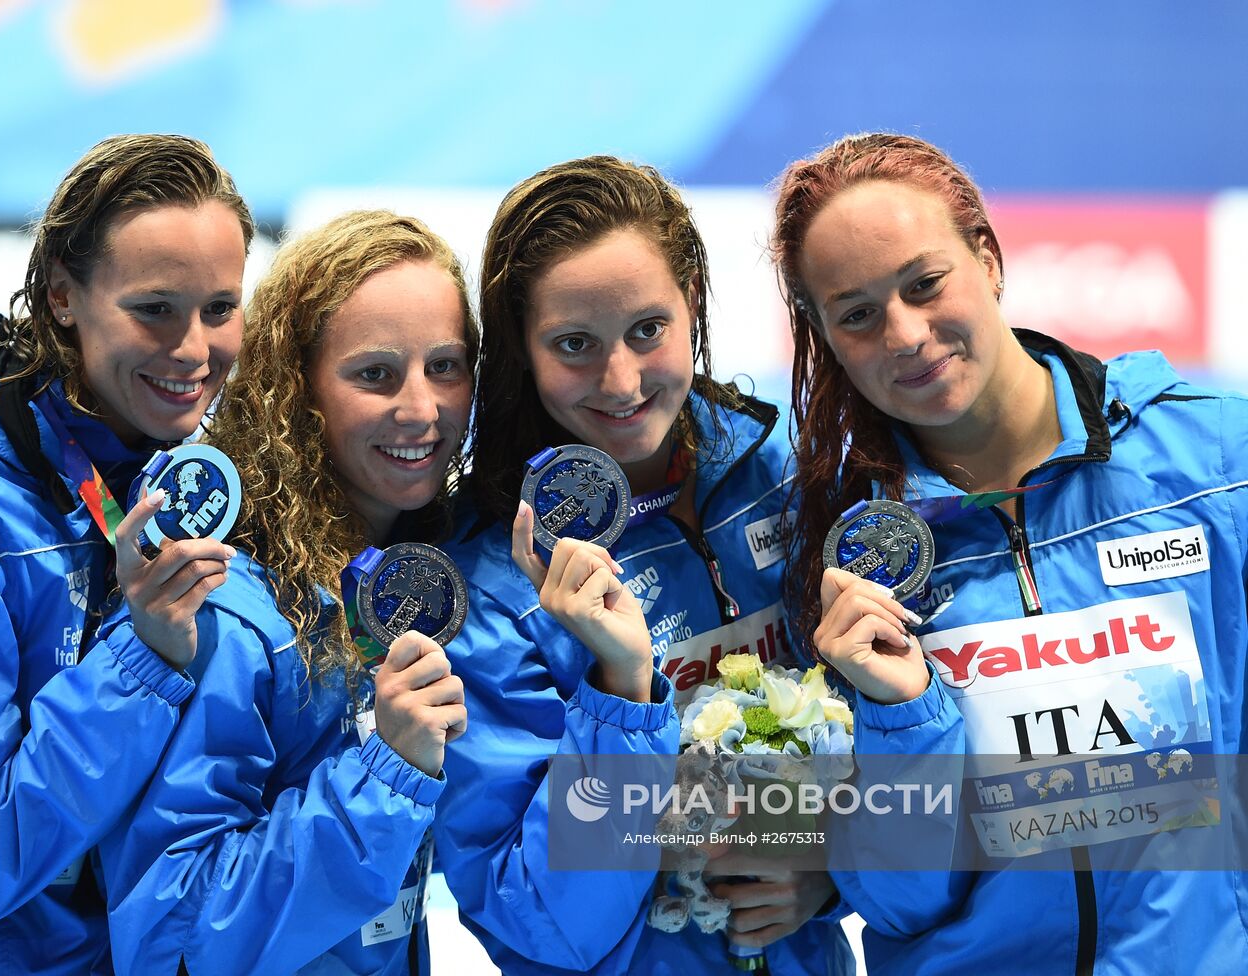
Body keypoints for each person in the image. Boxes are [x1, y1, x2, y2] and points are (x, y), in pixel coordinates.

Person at [774, 132, 1248, 974]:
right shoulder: (845, 556)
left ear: (987, 258)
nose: (906, 334)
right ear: (824, 335)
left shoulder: (1213, 462)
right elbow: (898, 900)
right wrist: (901, 714)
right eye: (857, 314)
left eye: (925, 285)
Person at [435, 156, 853, 975]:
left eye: (647, 330)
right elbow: (542, 923)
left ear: (692, 299)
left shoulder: (784, 482)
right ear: (521, 348)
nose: (621, 381)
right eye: (574, 345)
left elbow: (906, 774)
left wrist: (835, 870)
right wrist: (622, 693)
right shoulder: (497, 587)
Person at [0, 134, 252, 974]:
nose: (194, 349)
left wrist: (609, 695)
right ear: (62, 298)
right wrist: (142, 657)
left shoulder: (170, 482)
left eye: (220, 308)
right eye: (156, 309)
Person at [99, 210, 477, 976]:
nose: (421, 408)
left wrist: (625, 698)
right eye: (374, 374)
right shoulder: (231, 615)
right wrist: (386, 776)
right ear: (295, 390)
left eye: (445, 365)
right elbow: (171, 931)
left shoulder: (426, 571)